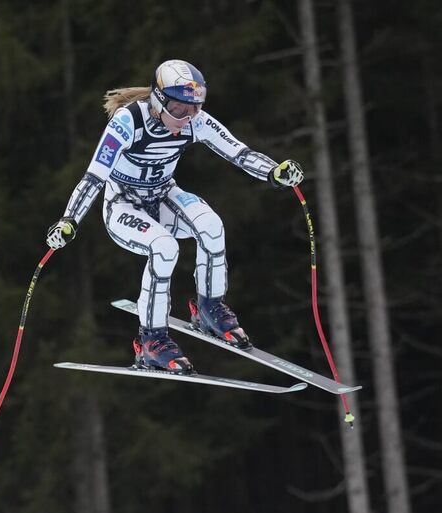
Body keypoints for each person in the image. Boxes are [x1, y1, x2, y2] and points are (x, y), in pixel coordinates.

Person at [46, 59, 304, 373]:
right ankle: (152, 341)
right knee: (164, 247)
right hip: (123, 205)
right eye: (181, 110)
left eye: (195, 108)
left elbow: (239, 152)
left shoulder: (194, 121)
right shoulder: (128, 123)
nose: (188, 118)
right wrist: (69, 220)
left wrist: (274, 173)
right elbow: (94, 177)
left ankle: (209, 308)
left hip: (162, 195)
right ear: (158, 101)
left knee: (211, 225)